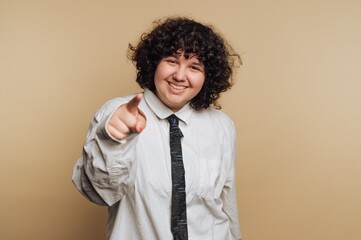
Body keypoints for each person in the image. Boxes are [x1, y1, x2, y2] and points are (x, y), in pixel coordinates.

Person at [72, 16, 242, 240]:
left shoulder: (222, 126)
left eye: (194, 67)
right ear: (154, 62)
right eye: (172, 61)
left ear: (207, 76)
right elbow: (99, 192)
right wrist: (112, 139)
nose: (180, 76)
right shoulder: (117, 114)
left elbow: (226, 202)